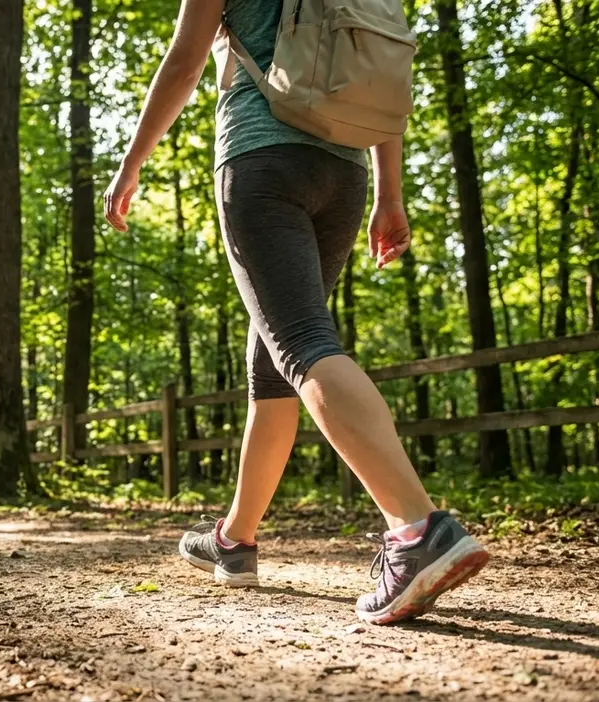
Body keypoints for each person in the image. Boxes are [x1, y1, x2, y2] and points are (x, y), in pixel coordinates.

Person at [103, 0, 488, 624]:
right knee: (274, 362)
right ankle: (235, 539)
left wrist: (131, 162)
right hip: (345, 170)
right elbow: (381, 77)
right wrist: (390, 193)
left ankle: (417, 529)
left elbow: (185, 59)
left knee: (302, 342)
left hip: (263, 159)